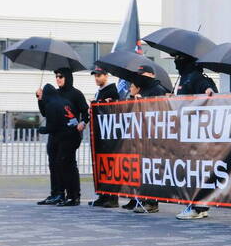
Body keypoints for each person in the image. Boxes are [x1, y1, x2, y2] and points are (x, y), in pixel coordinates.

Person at [35, 68, 89, 207]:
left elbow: (85, 112)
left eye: (61, 76)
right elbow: (46, 112)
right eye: (56, 77)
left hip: (69, 135)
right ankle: (57, 194)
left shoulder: (76, 94)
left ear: (68, 78)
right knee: (54, 164)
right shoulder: (55, 93)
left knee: (68, 164)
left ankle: (74, 196)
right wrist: (40, 99)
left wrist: (83, 123)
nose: (58, 79)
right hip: (55, 135)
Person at [173, 53, 217, 220]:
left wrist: (208, 91)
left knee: (195, 172)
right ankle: (201, 206)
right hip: (186, 133)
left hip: (197, 135)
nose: (176, 61)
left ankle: (196, 207)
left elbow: (208, 90)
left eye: (178, 58)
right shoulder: (184, 78)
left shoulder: (196, 77)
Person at [121, 64, 167, 213]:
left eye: (143, 74)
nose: (140, 77)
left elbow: (160, 112)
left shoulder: (158, 90)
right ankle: (142, 198)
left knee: (152, 170)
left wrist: (143, 102)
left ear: (151, 75)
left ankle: (152, 202)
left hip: (153, 137)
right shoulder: (143, 90)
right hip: (142, 136)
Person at [88, 66, 119, 208]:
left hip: (108, 136)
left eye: (99, 75)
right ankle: (103, 195)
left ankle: (112, 198)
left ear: (106, 76)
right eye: (95, 76)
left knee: (110, 166)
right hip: (100, 135)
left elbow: (113, 110)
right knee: (102, 166)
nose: (96, 78)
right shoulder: (100, 91)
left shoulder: (111, 90)